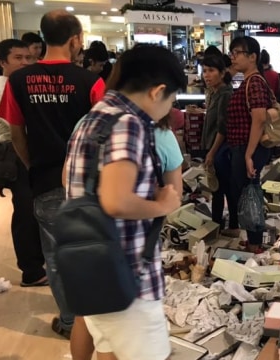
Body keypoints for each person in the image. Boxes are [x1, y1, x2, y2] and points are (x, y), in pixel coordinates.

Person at [65, 53, 184, 360]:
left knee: (108, 351)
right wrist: (161, 204)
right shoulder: (129, 123)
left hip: (90, 266)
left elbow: (69, 178)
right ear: (157, 91)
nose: (168, 109)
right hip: (126, 275)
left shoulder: (94, 116)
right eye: (171, 100)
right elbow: (115, 201)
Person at [0, 9, 106, 343]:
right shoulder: (91, 82)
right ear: (75, 39)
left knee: (56, 258)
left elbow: (15, 133)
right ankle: (97, 324)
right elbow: (104, 137)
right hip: (88, 184)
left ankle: (72, 321)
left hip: (46, 181)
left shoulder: (18, 81)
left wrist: (33, 165)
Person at [0, 39, 47, 288]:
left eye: (28, 58)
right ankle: (31, 271)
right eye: (18, 58)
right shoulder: (3, 89)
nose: (25, 63)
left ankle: (36, 264)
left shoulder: (15, 84)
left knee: (31, 211)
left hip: (21, 150)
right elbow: (15, 130)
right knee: (25, 213)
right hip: (14, 153)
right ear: (2, 62)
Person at [226, 36, 272, 252]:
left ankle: (255, 244)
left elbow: (259, 118)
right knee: (247, 193)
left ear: (252, 57)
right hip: (245, 147)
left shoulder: (254, 82)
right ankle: (253, 239)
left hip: (249, 148)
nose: (232, 57)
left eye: (237, 53)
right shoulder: (247, 80)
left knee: (250, 194)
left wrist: (248, 155)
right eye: (231, 53)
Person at [201, 54, 235, 234]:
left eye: (211, 71)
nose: (206, 75)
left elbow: (223, 128)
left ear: (222, 73)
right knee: (219, 188)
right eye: (204, 71)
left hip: (222, 150)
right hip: (215, 148)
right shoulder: (215, 92)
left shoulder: (225, 94)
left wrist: (211, 153)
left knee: (221, 189)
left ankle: (223, 226)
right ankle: (220, 225)